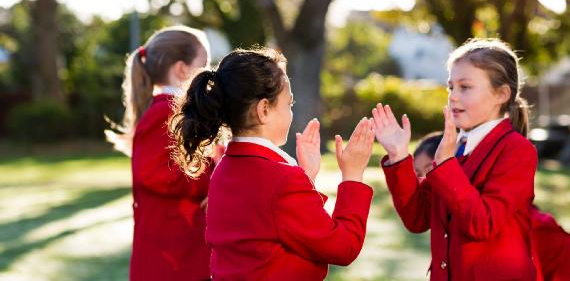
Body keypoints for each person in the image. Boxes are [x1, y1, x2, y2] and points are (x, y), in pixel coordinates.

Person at [170, 48, 375, 280]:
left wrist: (307, 176)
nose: (291, 112)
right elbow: (342, 247)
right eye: (289, 104)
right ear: (264, 109)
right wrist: (353, 175)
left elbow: (271, 229)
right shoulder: (283, 180)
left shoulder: (224, 168)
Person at [372, 39, 539, 280]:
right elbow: (417, 218)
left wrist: (446, 164)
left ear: (502, 94)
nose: (453, 97)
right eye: (451, 87)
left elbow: (483, 223)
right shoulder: (455, 147)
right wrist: (399, 156)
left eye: (465, 87)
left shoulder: (516, 150)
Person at [105, 25, 214, 281]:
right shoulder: (164, 114)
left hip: (180, 249)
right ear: (181, 69)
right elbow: (156, 174)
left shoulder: (176, 112)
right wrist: (213, 180)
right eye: (205, 64)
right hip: (170, 256)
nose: (210, 75)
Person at [413, 133, 570, 281]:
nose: (425, 181)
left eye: (430, 169)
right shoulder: (451, 211)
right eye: (418, 174)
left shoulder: (505, 219)